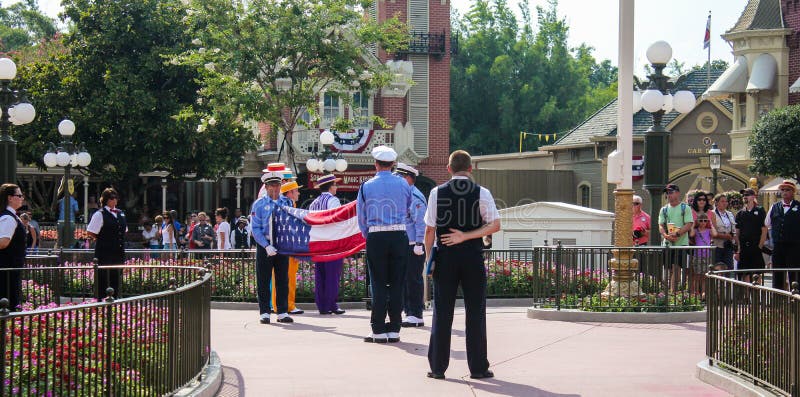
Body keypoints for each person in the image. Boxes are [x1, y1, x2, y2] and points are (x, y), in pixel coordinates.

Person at [423, 150, 500, 380]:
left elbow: (429, 230)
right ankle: (478, 368)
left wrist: (429, 260)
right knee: (475, 312)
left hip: (445, 257)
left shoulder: (437, 192)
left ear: (448, 169)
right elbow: (495, 225)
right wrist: (467, 236)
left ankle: (438, 368)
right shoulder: (482, 192)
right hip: (472, 257)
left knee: (443, 312)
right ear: (471, 169)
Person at [357, 145, 412, 343]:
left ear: (376, 164)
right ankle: (395, 328)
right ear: (393, 164)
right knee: (397, 283)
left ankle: (378, 329)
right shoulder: (404, 184)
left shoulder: (366, 186)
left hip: (376, 236)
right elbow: (408, 208)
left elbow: (361, 217)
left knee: (378, 283)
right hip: (399, 235)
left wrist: (369, 234)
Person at [251, 167, 293, 324]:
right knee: (264, 279)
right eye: (272, 185)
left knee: (283, 279)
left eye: (277, 184)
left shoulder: (286, 202)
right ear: (266, 187)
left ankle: (282, 311)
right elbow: (255, 228)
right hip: (265, 245)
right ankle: (264, 312)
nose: (275, 188)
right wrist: (266, 245)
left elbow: (291, 223)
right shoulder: (259, 204)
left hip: (282, 245)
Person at [394, 163, 427, 327]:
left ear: (408, 178)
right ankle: (408, 311)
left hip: (414, 243)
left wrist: (420, 243)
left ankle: (416, 313)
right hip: (405, 243)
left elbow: (421, 222)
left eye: (399, 176)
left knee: (413, 279)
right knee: (405, 279)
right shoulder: (405, 194)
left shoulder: (415, 196)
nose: (396, 179)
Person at [309, 173, 346, 315]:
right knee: (332, 274)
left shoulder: (314, 203)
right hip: (331, 241)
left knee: (321, 274)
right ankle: (332, 304)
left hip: (318, 242)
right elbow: (336, 221)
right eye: (335, 184)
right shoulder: (333, 201)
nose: (336, 187)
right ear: (331, 186)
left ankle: (322, 305)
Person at [86, 188, 126, 299]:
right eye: (112, 198)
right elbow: (90, 231)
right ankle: (101, 302)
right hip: (104, 252)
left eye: (116, 198)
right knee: (103, 277)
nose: (115, 200)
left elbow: (123, 231)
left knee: (116, 277)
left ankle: (115, 300)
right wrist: (103, 239)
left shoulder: (120, 213)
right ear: (106, 200)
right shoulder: (99, 214)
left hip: (118, 252)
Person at [273, 179, 304, 315]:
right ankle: (289, 305)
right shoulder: (289, 204)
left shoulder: (281, 203)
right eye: (296, 190)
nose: (298, 193)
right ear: (290, 193)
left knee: (279, 278)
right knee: (288, 277)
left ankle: (277, 305)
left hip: (280, 246)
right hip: (289, 247)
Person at [657, 184, 693, 292]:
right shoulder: (664, 209)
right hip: (667, 244)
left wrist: (677, 234)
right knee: (668, 270)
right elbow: (661, 225)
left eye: (671, 192)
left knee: (677, 269)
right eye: (667, 193)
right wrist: (665, 235)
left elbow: (689, 224)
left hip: (681, 244)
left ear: (677, 193)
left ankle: (672, 293)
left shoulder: (685, 207)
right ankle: (668, 294)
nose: (669, 195)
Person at [765, 180, 800, 290]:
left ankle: (795, 299)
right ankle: (777, 300)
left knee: (794, 274)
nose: (784, 192)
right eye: (783, 190)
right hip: (778, 246)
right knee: (777, 273)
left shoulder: (799, 207)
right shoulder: (774, 207)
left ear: (793, 192)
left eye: (788, 190)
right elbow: (767, 223)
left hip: (794, 246)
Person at [0, 184, 27, 311]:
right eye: (19, 195)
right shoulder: (8, 218)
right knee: (8, 302)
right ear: (10, 198)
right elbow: (3, 242)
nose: (22, 198)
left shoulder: (12, 216)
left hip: (11, 268)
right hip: (7, 269)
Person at [734, 188, 766, 284]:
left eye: (747, 195)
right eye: (744, 195)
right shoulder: (740, 213)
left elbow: (764, 230)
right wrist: (738, 248)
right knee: (745, 273)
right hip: (744, 247)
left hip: (755, 245)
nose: (745, 197)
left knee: (757, 272)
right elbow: (737, 231)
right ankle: (747, 297)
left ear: (753, 196)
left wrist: (760, 246)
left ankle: (757, 296)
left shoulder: (760, 210)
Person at [689, 212, 715, 295]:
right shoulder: (696, 231)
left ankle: (704, 293)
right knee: (697, 276)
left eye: (705, 220)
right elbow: (691, 234)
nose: (703, 222)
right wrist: (693, 225)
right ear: (698, 221)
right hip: (698, 255)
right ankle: (697, 293)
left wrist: (710, 223)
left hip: (707, 255)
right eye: (701, 220)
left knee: (704, 276)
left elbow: (715, 234)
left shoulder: (708, 230)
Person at [712, 194, 736, 268]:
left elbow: (734, 229)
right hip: (717, 246)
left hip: (728, 246)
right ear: (716, 203)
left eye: (726, 201)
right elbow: (712, 232)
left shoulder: (730, 214)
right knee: (717, 268)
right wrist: (725, 236)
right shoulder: (712, 214)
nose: (725, 203)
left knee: (728, 268)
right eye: (722, 201)